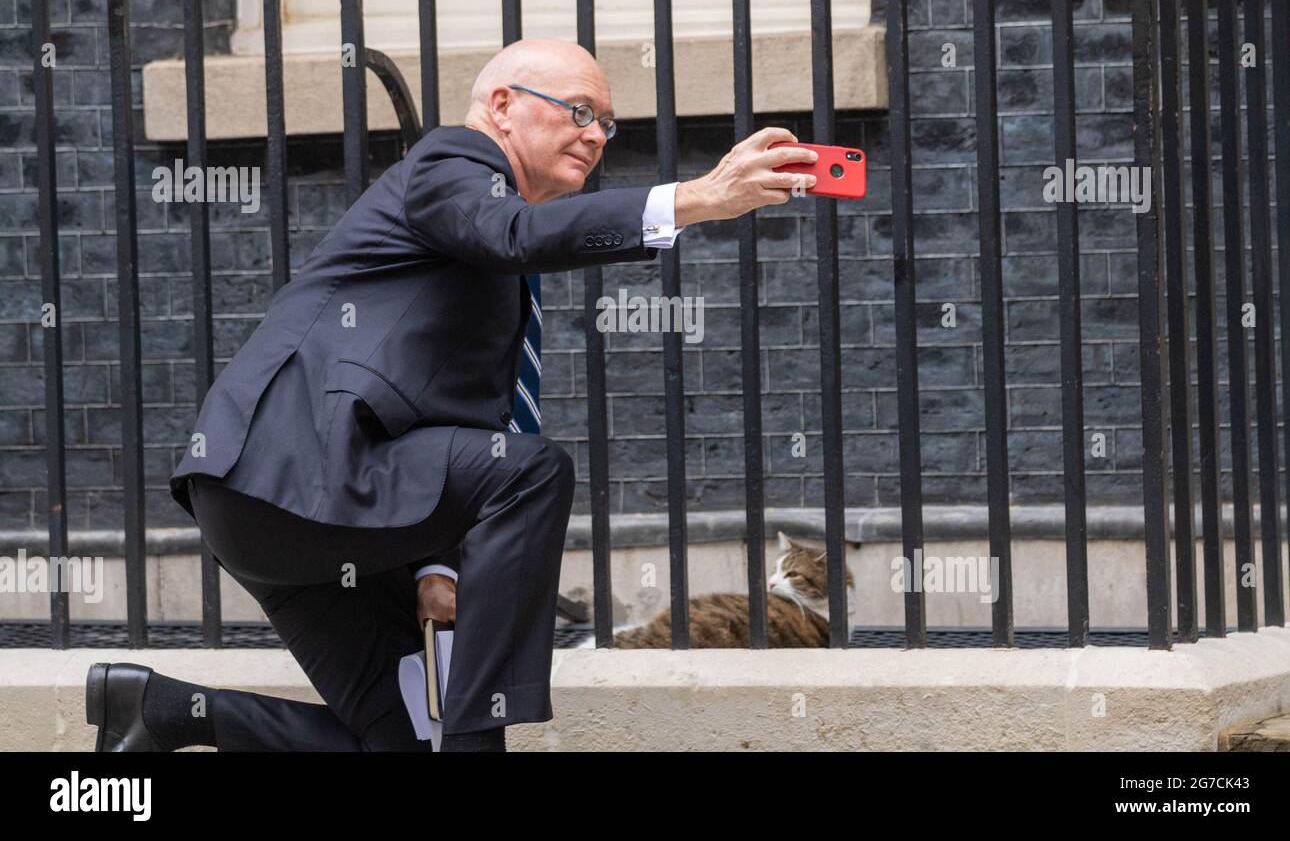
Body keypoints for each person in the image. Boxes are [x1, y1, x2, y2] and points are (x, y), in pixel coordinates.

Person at [84, 38, 818, 752]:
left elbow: (452, 427)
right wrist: (696, 198)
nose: (597, 137)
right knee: (532, 471)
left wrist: (437, 567)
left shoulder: (489, 249)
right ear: (502, 105)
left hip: (295, 513)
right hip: (300, 475)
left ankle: (165, 711)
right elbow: (512, 238)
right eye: (580, 112)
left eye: (607, 123)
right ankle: (476, 738)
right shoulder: (450, 162)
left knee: (401, 739)